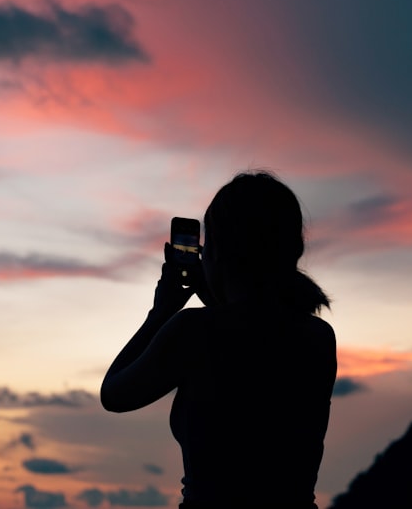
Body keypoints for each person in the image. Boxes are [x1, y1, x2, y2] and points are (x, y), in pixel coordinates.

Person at [101, 171, 337, 508]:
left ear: (218, 254)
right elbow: (254, 337)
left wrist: (161, 312)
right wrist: (218, 294)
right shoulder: (318, 337)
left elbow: (114, 394)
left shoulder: (193, 331)